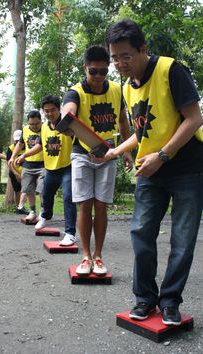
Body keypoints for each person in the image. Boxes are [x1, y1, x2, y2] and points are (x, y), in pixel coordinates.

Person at [104, 19, 203, 325]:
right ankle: (145, 298)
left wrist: (162, 155)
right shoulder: (126, 87)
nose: (119, 64)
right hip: (151, 170)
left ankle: (170, 300)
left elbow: (194, 118)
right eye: (114, 58)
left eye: (125, 56)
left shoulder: (171, 70)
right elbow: (143, 128)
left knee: (183, 239)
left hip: (188, 169)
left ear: (143, 49)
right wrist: (118, 151)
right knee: (140, 233)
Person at [62, 45, 132, 275]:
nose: (98, 77)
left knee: (101, 206)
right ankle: (85, 256)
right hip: (82, 154)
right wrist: (67, 119)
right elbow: (68, 114)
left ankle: (99, 256)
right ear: (85, 68)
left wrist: (126, 150)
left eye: (103, 72)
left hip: (108, 155)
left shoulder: (115, 90)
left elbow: (123, 121)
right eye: (94, 72)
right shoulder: (75, 92)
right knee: (85, 205)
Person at [15, 95, 77, 246]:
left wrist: (74, 133)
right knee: (46, 195)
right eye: (46, 111)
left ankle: (70, 233)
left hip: (67, 167)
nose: (50, 114)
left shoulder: (69, 123)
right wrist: (24, 155)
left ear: (59, 109)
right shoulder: (43, 127)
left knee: (68, 198)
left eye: (53, 110)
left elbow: (79, 137)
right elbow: (40, 145)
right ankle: (45, 216)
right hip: (50, 168)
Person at [8, 110, 44, 222]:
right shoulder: (25, 130)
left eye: (36, 124)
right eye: (31, 124)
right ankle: (32, 211)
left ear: (41, 121)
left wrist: (23, 155)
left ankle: (43, 213)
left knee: (43, 189)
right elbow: (20, 143)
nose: (34, 126)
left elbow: (40, 146)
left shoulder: (46, 129)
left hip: (44, 164)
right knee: (28, 189)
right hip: (28, 164)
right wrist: (12, 157)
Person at [6, 129, 28, 214]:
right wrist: (16, 174)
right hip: (14, 172)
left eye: (19, 140)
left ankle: (23, 206)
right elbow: (9, 162)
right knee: (17, 190)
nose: (17, 142)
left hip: (26, 172)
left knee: (27, 190)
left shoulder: (28, 147)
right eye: (15, 140)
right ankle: (19, 207)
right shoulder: (11, 148)